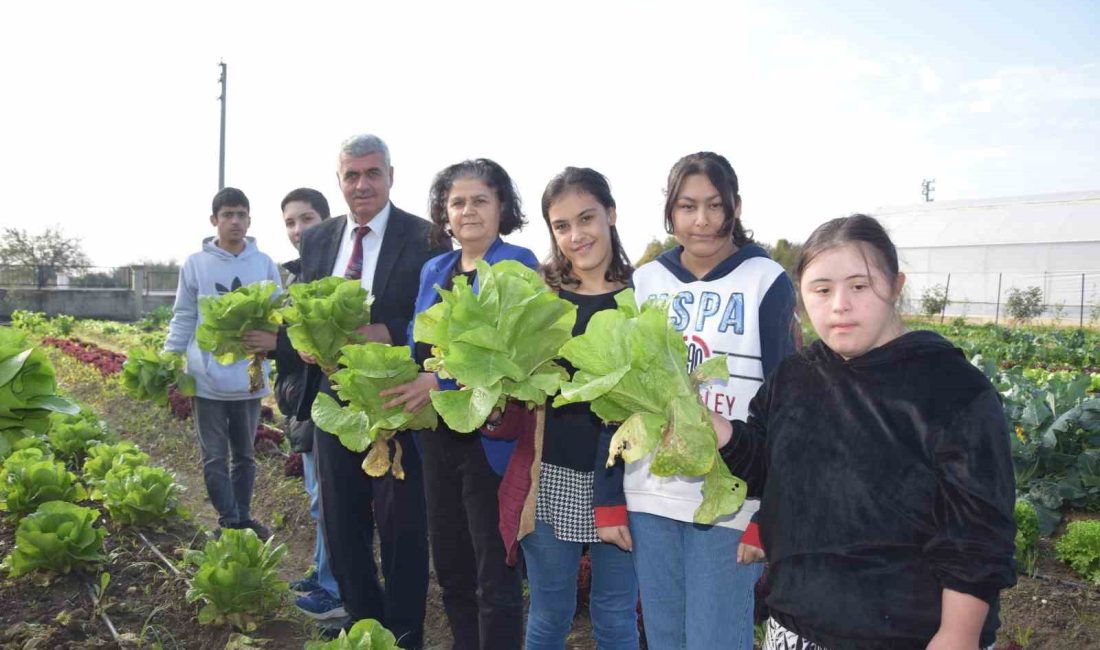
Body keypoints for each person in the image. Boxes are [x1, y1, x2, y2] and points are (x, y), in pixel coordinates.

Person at [719, 214, 1017, 650]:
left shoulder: (951, 387)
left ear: (896, 286)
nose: (840, 304)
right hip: (797, 626)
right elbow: (766, 471)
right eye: (821, 290)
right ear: (801, 298)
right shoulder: (793, 378)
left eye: (859, 286)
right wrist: (720, 432)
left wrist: (959, 633)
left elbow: (977, 531)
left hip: (913, 635)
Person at [627, 152, 797, 649]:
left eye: (714, 205)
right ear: (670, 212)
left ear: (734, 208)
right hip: (651, 490)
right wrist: (613, 495)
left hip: (730, 494)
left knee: (715, 638)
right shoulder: (646, 282)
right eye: (687, 206)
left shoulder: (765, 280)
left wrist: (770, 512)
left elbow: (785, 401)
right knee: (664, 636)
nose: (701, 220)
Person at [294, 135, 447, 647]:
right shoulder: (317, 241)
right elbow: (303, 310)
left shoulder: (426, 237)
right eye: (351, 175)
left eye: (372, 173)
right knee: (341, 523)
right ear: (338, 180)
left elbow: (437, 319)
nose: (362, 184)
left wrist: (386, 331)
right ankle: (364, 627)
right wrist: (307, 343)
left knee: (402, 525)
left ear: (390, 175)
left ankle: (404, 635)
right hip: (335, 400)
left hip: (396, 400)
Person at [382, 158, 533, 650]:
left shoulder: (518, 264)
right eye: (457, 202)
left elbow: (510, 356)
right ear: (444, 213)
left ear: (502, 206)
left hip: (491, 444)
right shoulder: (435, 269)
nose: (468, 211)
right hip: (437, 443)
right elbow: (415, 343)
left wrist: (441, 384)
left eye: (480, 200)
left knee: (495, 576)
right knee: (450, 569)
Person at [518, 167, 639, 649]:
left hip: (626, 482)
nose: (576, 235)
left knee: (615, 617)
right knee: (549, 614)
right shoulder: (541, 296)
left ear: (611, 214)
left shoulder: (644, 295)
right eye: (561, 226)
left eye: (586, 218)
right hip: (551, 478)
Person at [245, 187, 346, 620]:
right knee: (317, 498)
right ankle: (324, 574)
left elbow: (326, 339)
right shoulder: (293, 276)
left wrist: (279, 341)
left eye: (307, 219)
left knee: (329, 500)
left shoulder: (337, 275)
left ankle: (335, 589)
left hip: (326, 403)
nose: (298, 229)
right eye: (290, 221)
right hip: (301, 406)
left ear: (328, 221)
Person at [164, 186, 282, 539]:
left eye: (241, 214)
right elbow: (184, 315)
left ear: (249, 220)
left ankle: (243, 516)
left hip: (248, 377)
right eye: (227, 215)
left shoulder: (263, 264)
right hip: (207, 379)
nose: (235, 221)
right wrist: (171, 357)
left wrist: (273, 342)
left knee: (245, 455)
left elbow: (278, 313)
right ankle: (229, 520)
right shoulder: (196, 264)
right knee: (214, 456)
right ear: (214, 220)